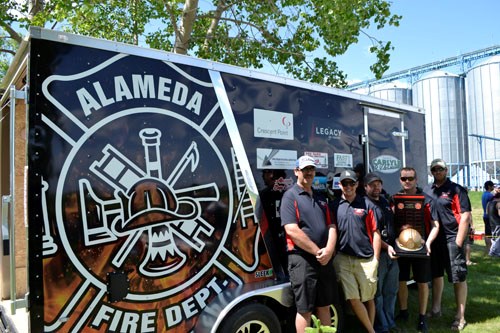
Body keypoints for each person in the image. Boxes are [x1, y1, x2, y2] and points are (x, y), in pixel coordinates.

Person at [280, 155, 338, 332]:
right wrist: (318, 252)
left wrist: (328, 250)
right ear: (296, 171)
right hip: (302, 260)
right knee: (304, 309)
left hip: (325, 259)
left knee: (325, 306)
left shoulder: (321, 197)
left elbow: (332, 226)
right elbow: (291, 230)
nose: (309, 173)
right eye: (305, 170)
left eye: (311, 169)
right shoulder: (290, 196)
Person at [424, 158, 471, 331]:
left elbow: (465, 216)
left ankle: (460, 316)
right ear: (431, 171)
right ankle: (436, 309)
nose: (438, 172)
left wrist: (459, 242)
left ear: (446, 170)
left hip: (453, 239)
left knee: (458, 277)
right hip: (434, 239)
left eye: (441, 169)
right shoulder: (427, 190)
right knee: (436, 275)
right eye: (434, 169)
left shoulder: (456, 189)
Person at [331, 170, 381, 333]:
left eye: (351, 183)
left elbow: (376, 233)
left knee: (369, 298)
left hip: (366, 259)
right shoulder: (334, 205)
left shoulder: (367, 204)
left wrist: (376, 259)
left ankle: (369, 328)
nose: (348, 186)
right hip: (344, 259)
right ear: (340, 185)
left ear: (357, 184)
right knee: (352, 298)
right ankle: (371, 331)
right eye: (345, 183)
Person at [393, 167, 439, 333]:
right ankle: (403, 311)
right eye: (404, 178)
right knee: (401, 280)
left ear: (416, 179)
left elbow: (435, 225)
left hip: (421, 248)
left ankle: (422, 317)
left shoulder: (426, 200)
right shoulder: (395, 198)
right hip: (401, 246)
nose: (407, 182)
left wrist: (428, 243)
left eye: (410, 178)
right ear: (400, 179)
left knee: (422, 282)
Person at [364, 173, 399, 333]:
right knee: (377, 294)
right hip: (378, 254)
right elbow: (371, 234)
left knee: (391, 291)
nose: (377, 187)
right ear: (365, 187)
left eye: (378, 184)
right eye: (373, 185)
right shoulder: (364, 204)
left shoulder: (384, 201)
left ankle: (390, 323)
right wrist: (387, 247)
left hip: (393, 253)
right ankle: (382, 325)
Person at [481, 180, 495, 253]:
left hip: (485, 216)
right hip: (490, 216)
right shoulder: (490, 195)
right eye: (492, 186)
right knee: (492, 233)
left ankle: (487, 249)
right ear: (489, 186)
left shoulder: (484, 194)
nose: (493, 187)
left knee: (487, 233)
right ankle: (491, 249)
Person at [487, 187, 500, 257]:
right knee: (497, 239)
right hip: (497, 223)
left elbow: (487, 212)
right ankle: (493, 253)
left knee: (494, 238)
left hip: (491, 222)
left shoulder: (489, 203)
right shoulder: (498, 203)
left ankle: (493, 252)